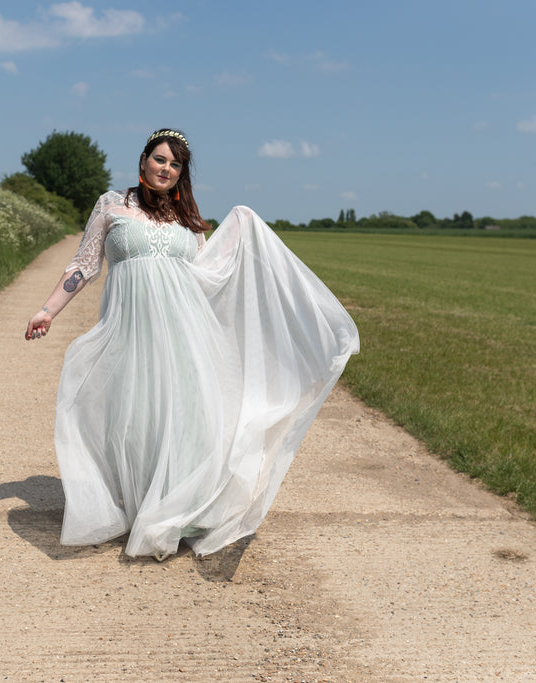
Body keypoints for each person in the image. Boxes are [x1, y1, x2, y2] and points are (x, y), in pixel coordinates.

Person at [26, 128, 359, 560]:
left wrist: (240, 232)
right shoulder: (113, 205)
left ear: (181, 172)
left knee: (182, 417)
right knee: (135, 414)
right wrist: (48, 310)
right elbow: (85, 265)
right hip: (130, 331)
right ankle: (139, 502)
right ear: (144, 159)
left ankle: (175, 511)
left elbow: (206, 279)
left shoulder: (188, 221)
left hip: (183, 334)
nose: (167, 169)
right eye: (160, 159)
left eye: (176, 164)